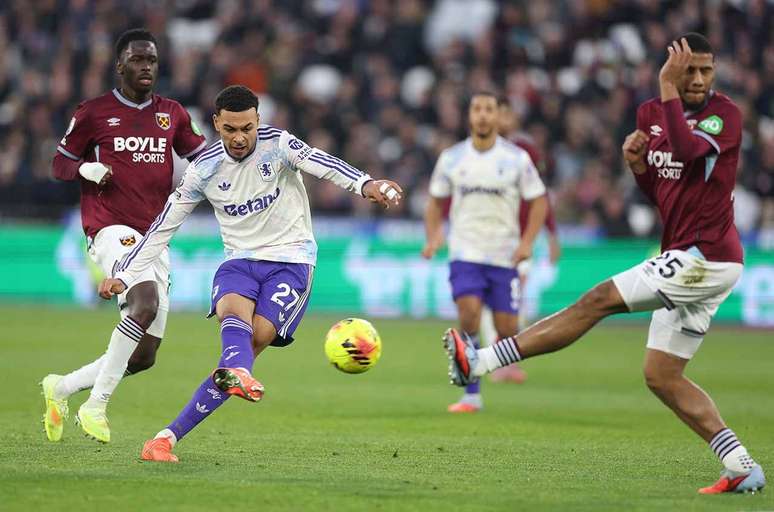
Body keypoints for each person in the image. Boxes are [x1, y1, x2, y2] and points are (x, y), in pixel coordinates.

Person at [442, 34, 765, 494]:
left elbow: (690, 151)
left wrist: (667, 87)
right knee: (661, 375)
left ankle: (480, 362)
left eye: (704, 70)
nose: (697, 79)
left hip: (708, 255)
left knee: (597, 300)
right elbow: (668, 196)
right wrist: (638, 168)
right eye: (688, 69)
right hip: (682, 251)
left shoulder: (725, 116)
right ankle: (741, 465)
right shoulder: (650, 115)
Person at [98, 85, 402, 462]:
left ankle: (165, 437)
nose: (239, 138)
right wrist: (125, 274)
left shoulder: (279, 144)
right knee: (231, 309)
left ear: (258, 120)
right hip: (239, 260)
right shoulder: (204, 168)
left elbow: (322, 163)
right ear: (216, 124)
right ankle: (215, 393)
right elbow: (163, 226)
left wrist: (365, 184)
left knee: (251, 342)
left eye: (246, 128)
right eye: (230, 130)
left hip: (291, 261)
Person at [41, 28, 207, 444]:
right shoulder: (94, 112)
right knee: (144, 301)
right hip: (111, 228)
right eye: (137, 59)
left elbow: (202, 158)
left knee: (145, 355)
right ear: (120, 65)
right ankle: (95, 406)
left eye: (151, 59)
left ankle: (60, 388)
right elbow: (59, 165)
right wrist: (84, 169)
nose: (146, 66)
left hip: (155, 236)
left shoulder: (172, 114)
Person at [422, 91, 548, 413]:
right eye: (477, 109)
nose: (482, 115)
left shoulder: (516, 159)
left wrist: (527, 242)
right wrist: (434, 236)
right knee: (469, 316)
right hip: (465, 252)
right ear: (469, 115)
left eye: (488, 109)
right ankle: (471, 396)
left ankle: (481, 368)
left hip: (504, 255)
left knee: (507, 331)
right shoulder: (451, 158)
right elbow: (435, 202)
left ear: (497, 116)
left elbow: (539, 201)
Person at [477, 98, 562, 384]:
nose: (501, 118)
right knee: (502, 296)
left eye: (504, 113)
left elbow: (540, 194)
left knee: (512, 296)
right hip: (489, 232)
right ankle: (499, 360)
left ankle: (499, 359)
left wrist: (551, 234)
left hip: (520, 236)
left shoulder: (524, 149)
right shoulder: (477, 150)